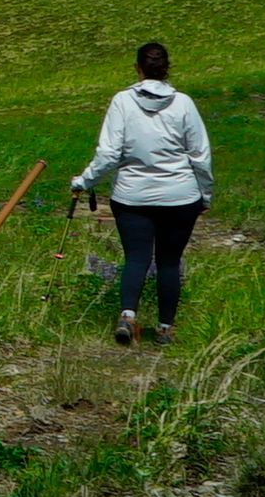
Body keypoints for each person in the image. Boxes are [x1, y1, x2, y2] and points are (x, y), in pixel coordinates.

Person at [73, 41, 211, 346]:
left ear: (137, 69)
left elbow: (109, 154)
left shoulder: (122, 102)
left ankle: (128, 316)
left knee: (136, 257)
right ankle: (165, 329)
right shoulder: (184, 104)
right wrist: (206, 194)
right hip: (180, 195)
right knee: (169, 262)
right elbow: (200, 155)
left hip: (132, 195)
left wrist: (84, 180)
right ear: (167, 69)